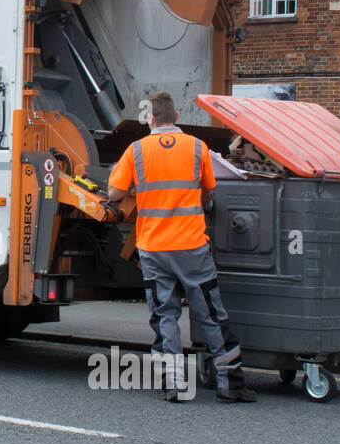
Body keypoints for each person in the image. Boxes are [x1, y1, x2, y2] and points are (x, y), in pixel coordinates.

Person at [107, 92, 256, 403]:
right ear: (176, 116)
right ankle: (230, 383)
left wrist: (137, 187)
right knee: (210, 314)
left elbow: (114, 193)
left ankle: (174, 383)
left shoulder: (136, 150)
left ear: (150, 119)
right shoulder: (197, 147)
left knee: (165, 315)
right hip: (191, 247)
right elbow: (209, 192)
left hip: (153, 248)